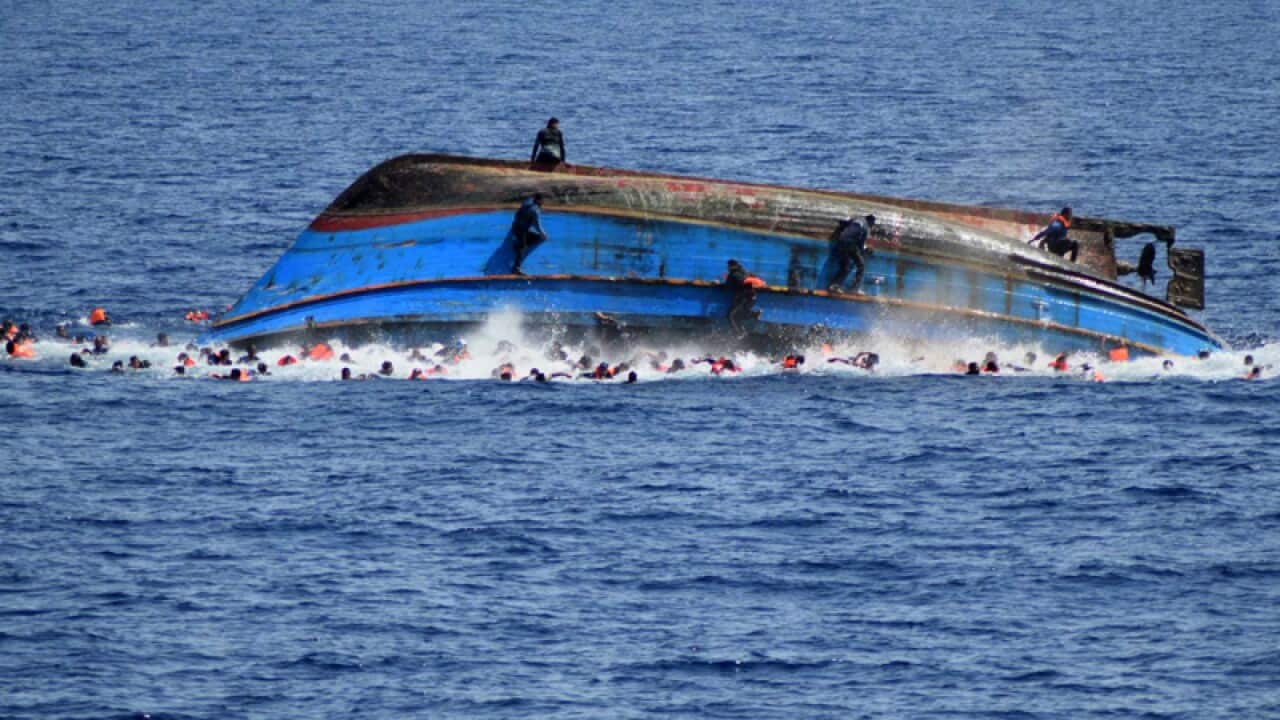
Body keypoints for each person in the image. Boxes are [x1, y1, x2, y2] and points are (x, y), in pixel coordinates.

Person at [829, 214, 876, 293]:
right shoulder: (866, 227)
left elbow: (843, 223)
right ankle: (855, 288)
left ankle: (834, 285)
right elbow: (861, 245)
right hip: (850, 244)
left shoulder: (856, 219)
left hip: (841, 241)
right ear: (870, 222)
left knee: (845, 266)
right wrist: (866, 250)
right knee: (861, 265)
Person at [509, 194, 549, 275]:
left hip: (515, 226)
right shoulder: (535, 210)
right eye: (542, 201)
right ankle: (516, 268)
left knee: (535, 238)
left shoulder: (527, 201)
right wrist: (544, 234)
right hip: (521, 230)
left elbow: (518, 212)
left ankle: (518, 245)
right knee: (524, 247)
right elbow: (537, 225)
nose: (543, 202)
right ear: (539, 200)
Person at [724, 259, 762, 334]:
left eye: (729, 266)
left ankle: (739, 333)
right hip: (751, 296)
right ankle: (754, 315)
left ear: (731, 266)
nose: (727, 268)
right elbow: (753, 279)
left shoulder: (733, 275)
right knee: (739, 314)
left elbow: (727, 287)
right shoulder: (746, 272)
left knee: (730, 315)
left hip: (743, 297)